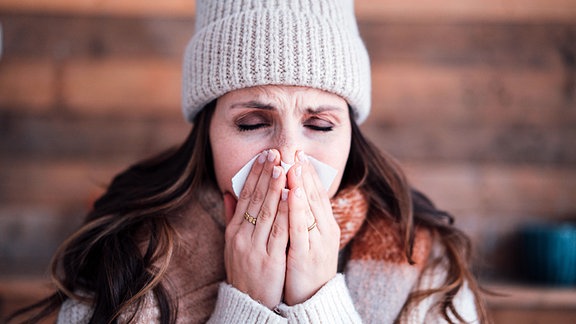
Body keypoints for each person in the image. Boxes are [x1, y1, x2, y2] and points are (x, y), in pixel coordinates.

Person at [8, 0, 489, 323]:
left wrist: (317, 302)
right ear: (208, 132)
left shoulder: (426, 265)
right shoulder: (122, 259)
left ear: (350, 135)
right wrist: (247, 306)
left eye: (319, 125)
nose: (286, 156)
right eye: (252, 123)